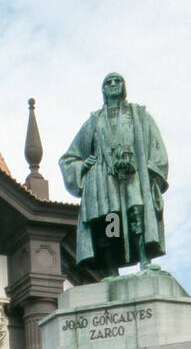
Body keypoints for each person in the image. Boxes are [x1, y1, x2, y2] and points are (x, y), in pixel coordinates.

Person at [59, 72, 168, 274]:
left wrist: (152, 173)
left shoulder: (139, 115)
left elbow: (156, 147)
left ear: (124, 87)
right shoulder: (94, 121)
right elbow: (70, 157)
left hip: (134, 174)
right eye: (108, 82)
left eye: (117, 81)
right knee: (112, 220)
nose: (113, 84)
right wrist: (83, 165)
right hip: (104, 179)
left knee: (137, 212)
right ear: (103, 90)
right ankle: (112, 268)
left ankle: (145, 259)